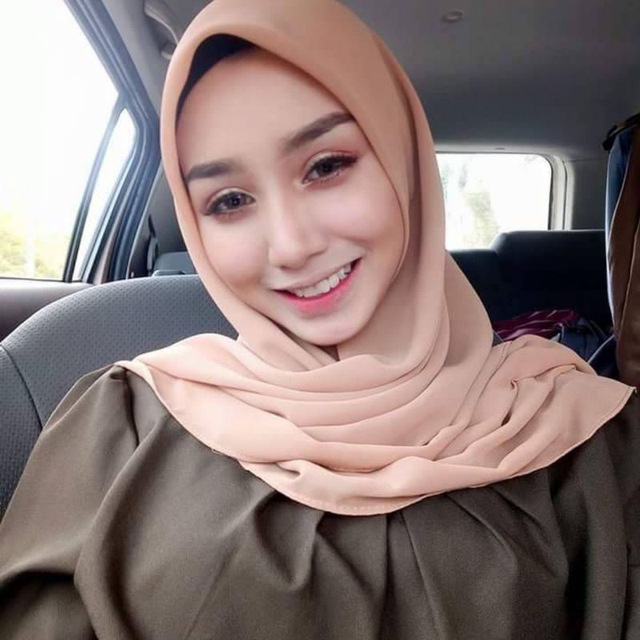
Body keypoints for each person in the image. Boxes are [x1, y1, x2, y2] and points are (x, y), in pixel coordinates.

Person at [1, 0, 639, 637]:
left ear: (405, 166)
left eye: (327, 166)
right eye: (229, 200)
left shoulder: (590, 436)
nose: (290, 246)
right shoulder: (123, 425)